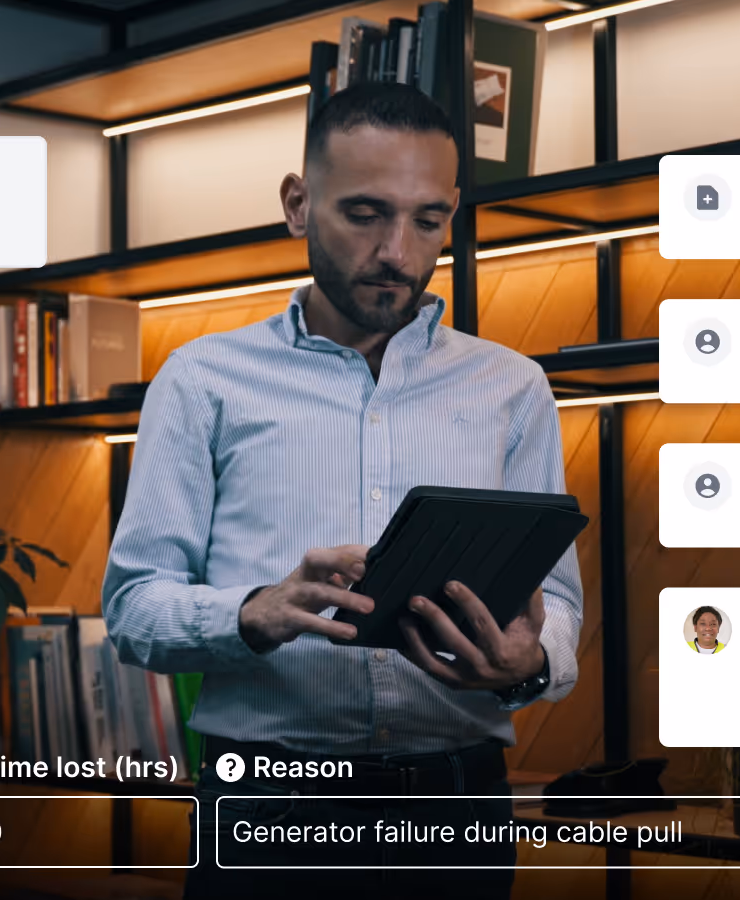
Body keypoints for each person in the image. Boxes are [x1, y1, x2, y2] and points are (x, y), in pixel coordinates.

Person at [101, 82, 582, 900]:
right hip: (268, 808)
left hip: (457, 809)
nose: (398, 249)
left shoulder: (513, 387)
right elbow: (134, 608)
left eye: (427, 219)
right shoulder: (202, 380)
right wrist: (249, 614)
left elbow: (558, 604)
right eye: (365, 214)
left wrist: (530, 662)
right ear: (298, 204)